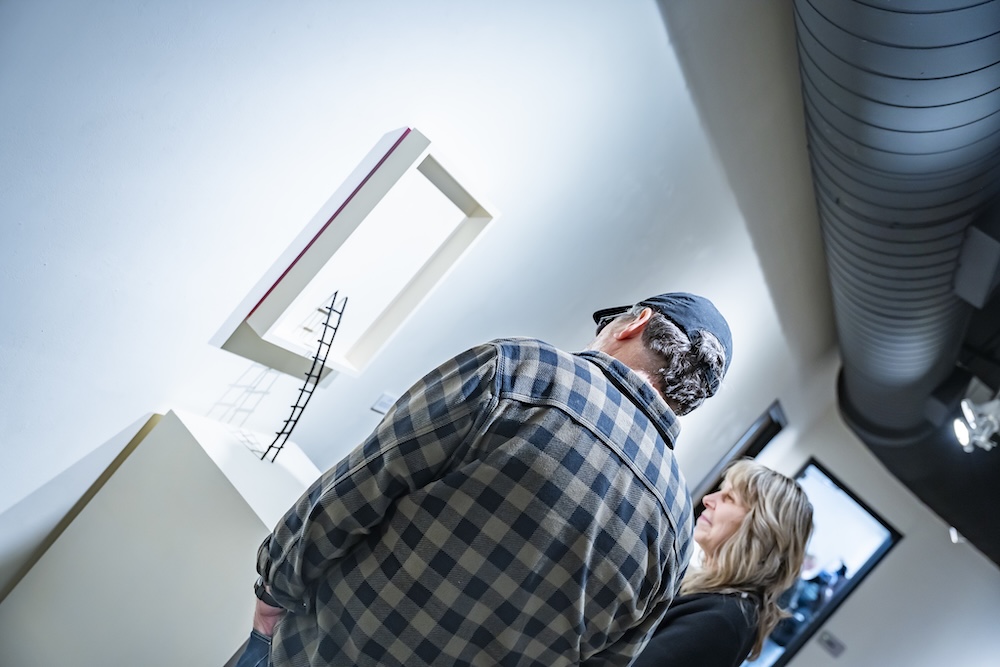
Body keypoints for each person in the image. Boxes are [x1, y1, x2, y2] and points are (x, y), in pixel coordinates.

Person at [235, 292, 733, 667]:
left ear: (636, 322)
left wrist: (275, 586)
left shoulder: (517, 371)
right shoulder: (673, 531)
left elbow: (359, 486)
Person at [631, 460, 814, 667]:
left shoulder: (722, 622)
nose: (709, 499)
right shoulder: (719, 601)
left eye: (729, 498)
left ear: (759, 529)